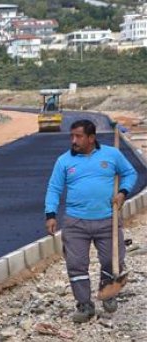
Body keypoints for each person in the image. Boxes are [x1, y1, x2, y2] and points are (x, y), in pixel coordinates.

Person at [45, 119, 137, 323]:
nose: (73, 140)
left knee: (112, 261)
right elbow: (54, 188)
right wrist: (50, 214)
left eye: (78, 136)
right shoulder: (64, 161)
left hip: (107, 221)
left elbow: (130, 173)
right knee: (76, 264)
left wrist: (123, 192)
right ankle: (84, 305)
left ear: (91, 138)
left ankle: (108, 292)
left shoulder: (111, 155)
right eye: (72, 136)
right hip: (76, 223)